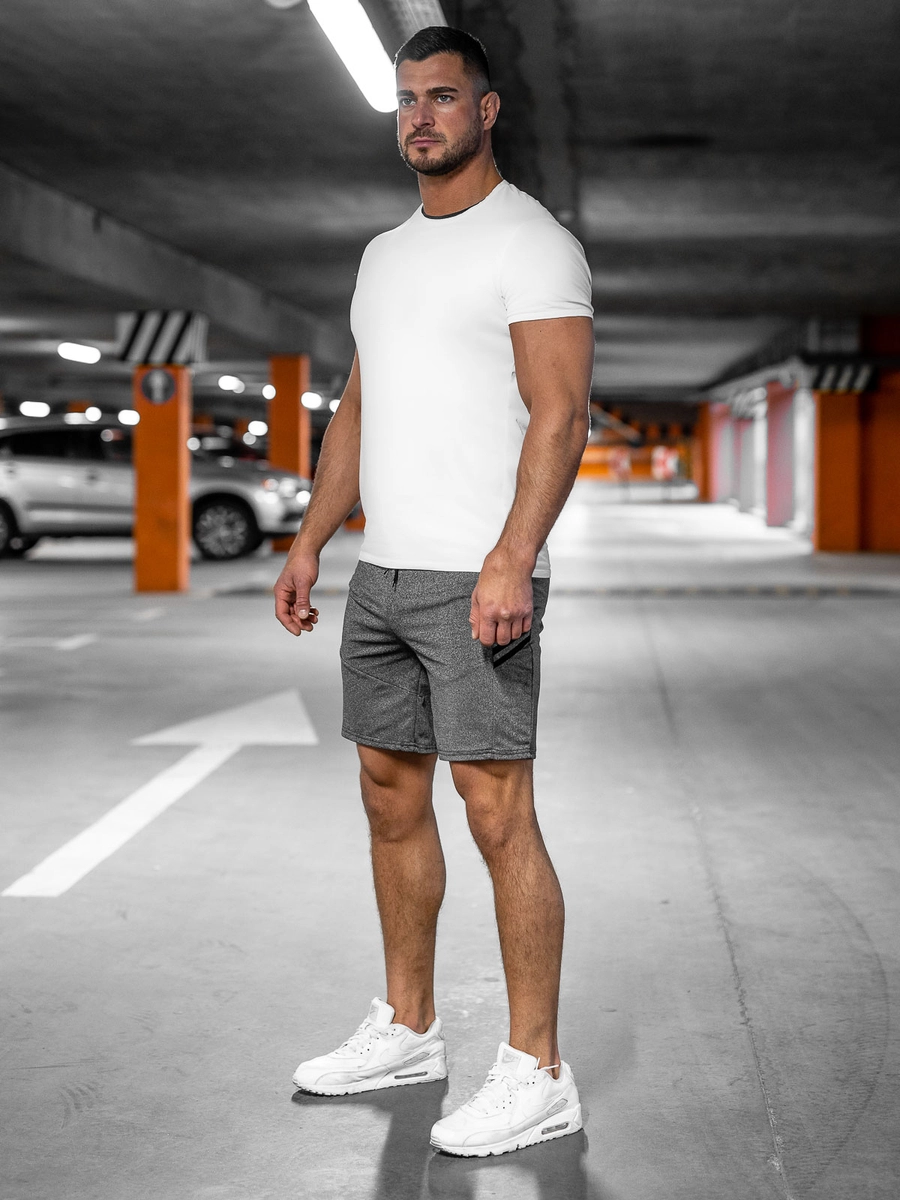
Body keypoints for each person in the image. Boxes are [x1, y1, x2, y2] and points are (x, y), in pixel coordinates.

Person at [274, 25, 594, 1158]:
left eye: (443, 97)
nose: (420, 115)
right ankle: (410, 1029)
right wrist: (312, 540)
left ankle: (538, 1070)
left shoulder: (533, 244)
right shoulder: (383, 256)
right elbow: (359, 410)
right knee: (388, 794)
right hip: (386, 573)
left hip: (477, 573)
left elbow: (562, 413)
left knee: (498, 810)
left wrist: (514, 556)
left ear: (487, 110)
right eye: (406, 98)